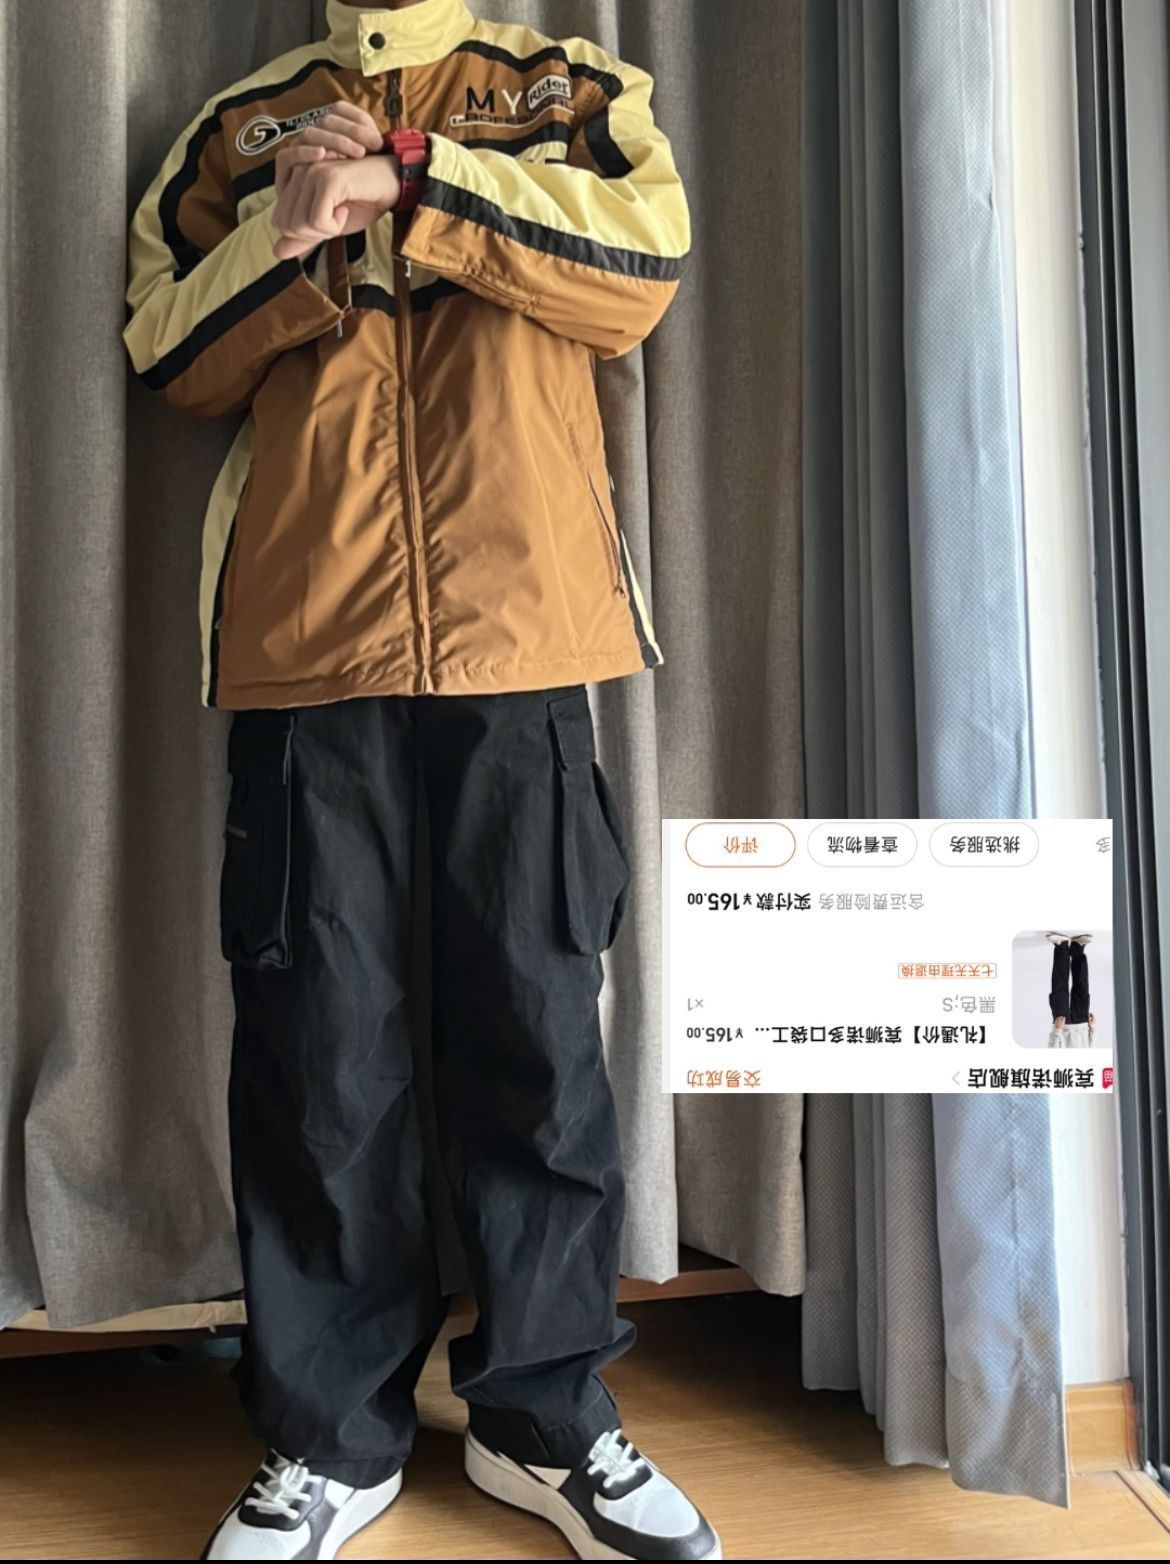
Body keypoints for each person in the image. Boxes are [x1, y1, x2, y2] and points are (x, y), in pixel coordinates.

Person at [122, 1, 715, 1559]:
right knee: (319, 1054)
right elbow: (165, 349)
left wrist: (420, 172)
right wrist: (297, 237)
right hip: (305, 645)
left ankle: (543, 1416)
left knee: (540, 1035)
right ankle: (329, 1437)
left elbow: (640, 272)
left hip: (527, 639)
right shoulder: (238, 127)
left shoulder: (568, 88)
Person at [1046, 933, 1096, 1049]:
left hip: (1062, 1028)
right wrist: (1092, 1028)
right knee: (1081, 987)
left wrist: (1057, 1031)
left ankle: (1061, 946)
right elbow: (1092, 1048)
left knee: (1059, 988)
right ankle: (1077, 947)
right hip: (1082, 1026)